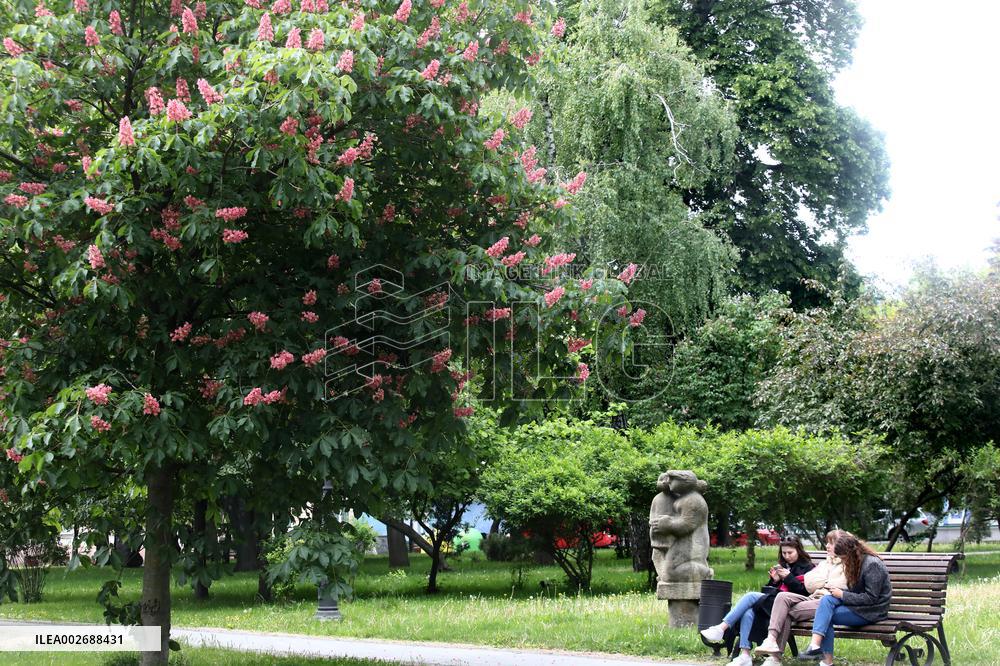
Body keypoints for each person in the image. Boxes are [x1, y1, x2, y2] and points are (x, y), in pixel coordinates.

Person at [700, 536, 815, 666]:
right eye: (784, 553)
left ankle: (721, 628)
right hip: (773, 602)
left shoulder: (808, 567)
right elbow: (770, 591)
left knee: (750, 596)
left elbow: (804, 592)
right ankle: (745, 655)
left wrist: (788, 578)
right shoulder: (782, 566)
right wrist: (775, 581)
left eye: (790, 552)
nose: (787, 556)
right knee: (748, 612)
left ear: (798, 550)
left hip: (790, 605)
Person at [797, 533, 891, 663]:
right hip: (858, 606)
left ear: (851, 553)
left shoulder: (872, 564)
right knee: (826, 600)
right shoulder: (855, 562)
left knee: (827, 617)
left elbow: (871, 598)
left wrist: (842, 595)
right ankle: (815, 646)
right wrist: (836, 592)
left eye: (843, 557)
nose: (842, 560)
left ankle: (826, 662)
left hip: (872, 611)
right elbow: (855, 590)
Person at [754, 530, 849, 658]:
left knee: (783, 610)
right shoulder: (825, 563)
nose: (826, 546)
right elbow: (810, 584)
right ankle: (771, 641)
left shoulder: (848, 564)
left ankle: (775, 658)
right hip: (813, 597)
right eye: (827, 542)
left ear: (842, 544)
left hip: (829, 602)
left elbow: (838, 585)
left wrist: (821, 581)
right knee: (782, 597)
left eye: (831, 543)